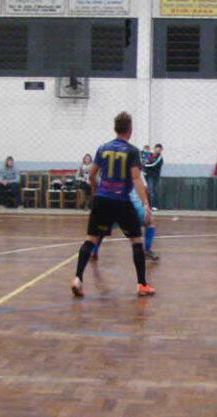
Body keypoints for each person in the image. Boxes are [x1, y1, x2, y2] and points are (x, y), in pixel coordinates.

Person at [70, 112, 154, 298]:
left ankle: (77, 278)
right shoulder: (131, 151)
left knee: (90, 238)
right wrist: (145, 203)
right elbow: (135, 178)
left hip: (102, 199)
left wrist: (96, 191)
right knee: (136, 241)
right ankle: (142, 284)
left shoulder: (102, 148)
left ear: (115, 128)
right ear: (129, 130)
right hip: (121, 200)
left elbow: (91, 175)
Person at [91, 172, 159, 262]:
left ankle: (93, 251)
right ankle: (146, 250)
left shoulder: (106, 167)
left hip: (110, 202)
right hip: (130, 202)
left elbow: (94, 180)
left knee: (103, 228)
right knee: (149, 223)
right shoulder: (134, 166)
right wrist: (145, 203)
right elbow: (144, 187)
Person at [144, 143, 163, 211]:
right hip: (146, 175)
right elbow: (144, 161)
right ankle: (146, 205)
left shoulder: (159, 158)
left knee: (153, 191)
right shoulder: (150, 155)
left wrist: (145, 164)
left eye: (159, 149)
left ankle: (153, 205)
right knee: (146, 190)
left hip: (153, 176)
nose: (157, 150)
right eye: (156, 149)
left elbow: (153, 164)